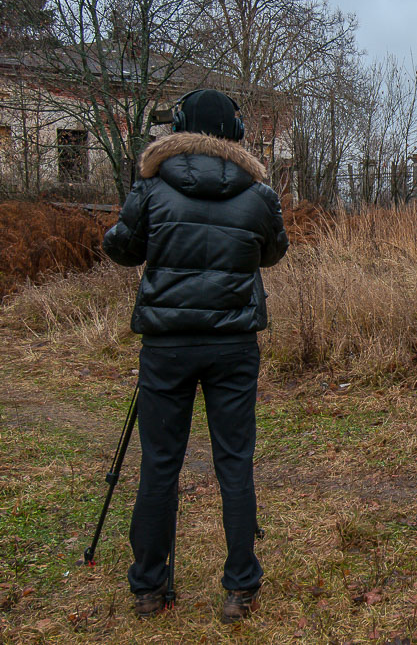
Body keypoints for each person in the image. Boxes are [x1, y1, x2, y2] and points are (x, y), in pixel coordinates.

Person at [102, 88, 289, 623]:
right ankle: (240, 587)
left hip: (168, 345)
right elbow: (273, 252)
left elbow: (120, 248)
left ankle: (148, 587)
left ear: (180, 128)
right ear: (236, 133)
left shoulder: (152, 187)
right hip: (233, 345)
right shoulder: (258, 194)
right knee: (235, 461)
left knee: (160, 463)